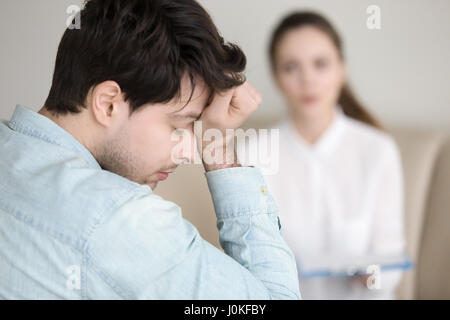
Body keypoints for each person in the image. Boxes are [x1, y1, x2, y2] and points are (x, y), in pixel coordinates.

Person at [0, 0, 300, 299]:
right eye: (178, 125)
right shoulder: (120, 220)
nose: (186, 152)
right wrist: (218, 147)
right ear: (108, 104)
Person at [263, 11, 407, 299]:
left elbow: (391, 261)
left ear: (342, 69)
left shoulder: (377, 149)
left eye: (321, 64)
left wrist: (371, 276)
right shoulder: (253, 152)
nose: (308, 80)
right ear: (276, 77)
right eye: (291, 67)